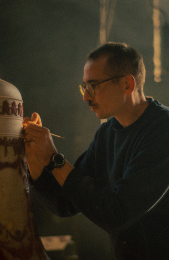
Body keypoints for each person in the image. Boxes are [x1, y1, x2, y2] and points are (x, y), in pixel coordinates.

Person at [23, 42, 169, 260]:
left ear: (127, 84)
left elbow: (117, 213)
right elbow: (66, 202)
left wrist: (53, 158)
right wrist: (34, 158)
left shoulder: (162, 129)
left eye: (93, 85)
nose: (86, 96)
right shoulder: (107, 133)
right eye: (84, 87)